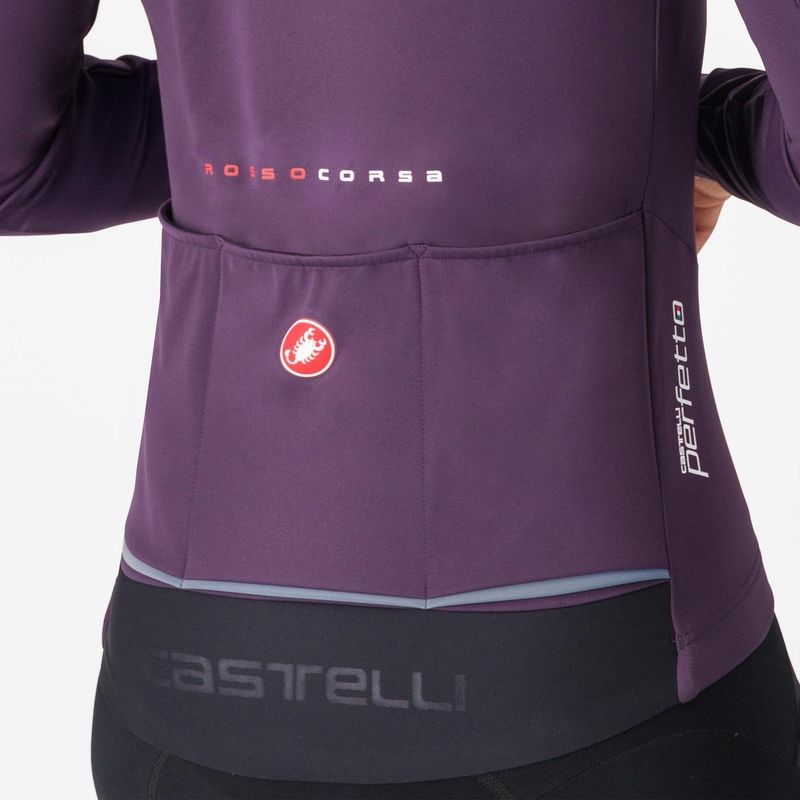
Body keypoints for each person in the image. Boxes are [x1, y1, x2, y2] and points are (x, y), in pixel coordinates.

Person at [2, 1, 800, 798]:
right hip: (609, 670)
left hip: (197, 664)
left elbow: (17, 167)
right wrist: (677, 129)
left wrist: (263, 135)